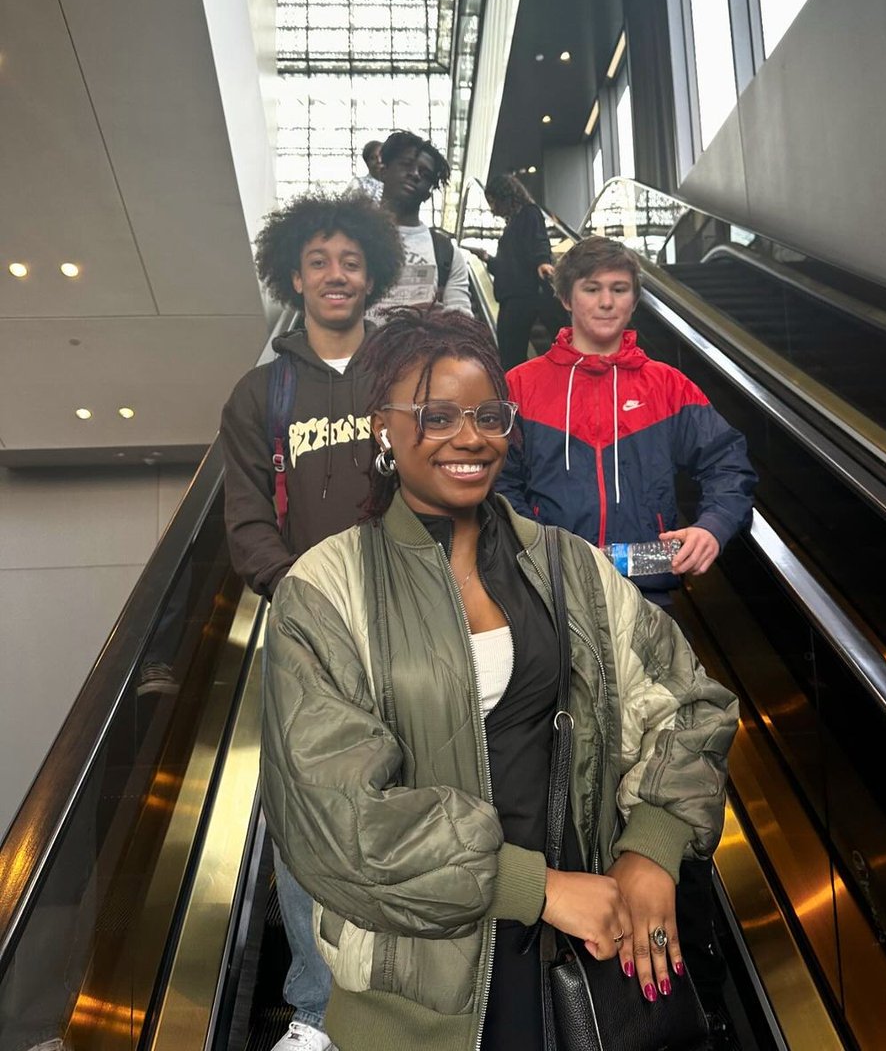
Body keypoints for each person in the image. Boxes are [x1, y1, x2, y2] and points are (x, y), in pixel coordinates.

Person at [260, 304, 739, 1051]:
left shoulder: (564, 563)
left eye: (489, 414)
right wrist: (536, 889)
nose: (471, 438)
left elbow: (688, 700)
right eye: (437, 415)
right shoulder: (325, 589)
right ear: (382, 426)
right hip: (419, 994)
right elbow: (335, 819)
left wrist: (651, 845)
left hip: (584, 960)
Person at [497, 233, 756, 1038]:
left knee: (653, 747)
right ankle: (567, 939)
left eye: (621, 291)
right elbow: (495, 484)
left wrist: (713, 526)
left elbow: (731, 466)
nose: (608, 304)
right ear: (566, 299)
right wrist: (539, 557)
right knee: (561, 767)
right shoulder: (518, 387)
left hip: (648, 608)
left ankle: (646, 943)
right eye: (594, 291)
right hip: (551, 607)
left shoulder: (670, 387)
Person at [220, 191, 404, 1051]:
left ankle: (412, 991)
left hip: (407, 622)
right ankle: (316, 1010)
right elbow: (248, 517)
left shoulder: (404, 378)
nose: (337, 275)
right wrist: (295, 593)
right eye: (320, 261)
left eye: (352, 261)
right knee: (301, 822)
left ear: (373, 275)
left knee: (413, 799)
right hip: (303, 632)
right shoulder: (264, 393)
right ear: (294, 276)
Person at [374, 130, 472, 319]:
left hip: (421, 347)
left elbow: (462, 319)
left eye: (425, 174)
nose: (415, 174)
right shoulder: (350, 237)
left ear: (428, 193)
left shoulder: (446, 252)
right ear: (383, 171)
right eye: (406, 165)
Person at [466, 173, 556, 371]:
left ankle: (513, 396)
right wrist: (488, 259)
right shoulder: (512, 224)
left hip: (522, 296)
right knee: (508, 354)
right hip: (510, 296)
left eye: (493, 201)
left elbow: (539, 239)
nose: (491, 208)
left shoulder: (529, 213)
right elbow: (508, 267)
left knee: (511, 355)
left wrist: (543, 262)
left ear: (505, 196)